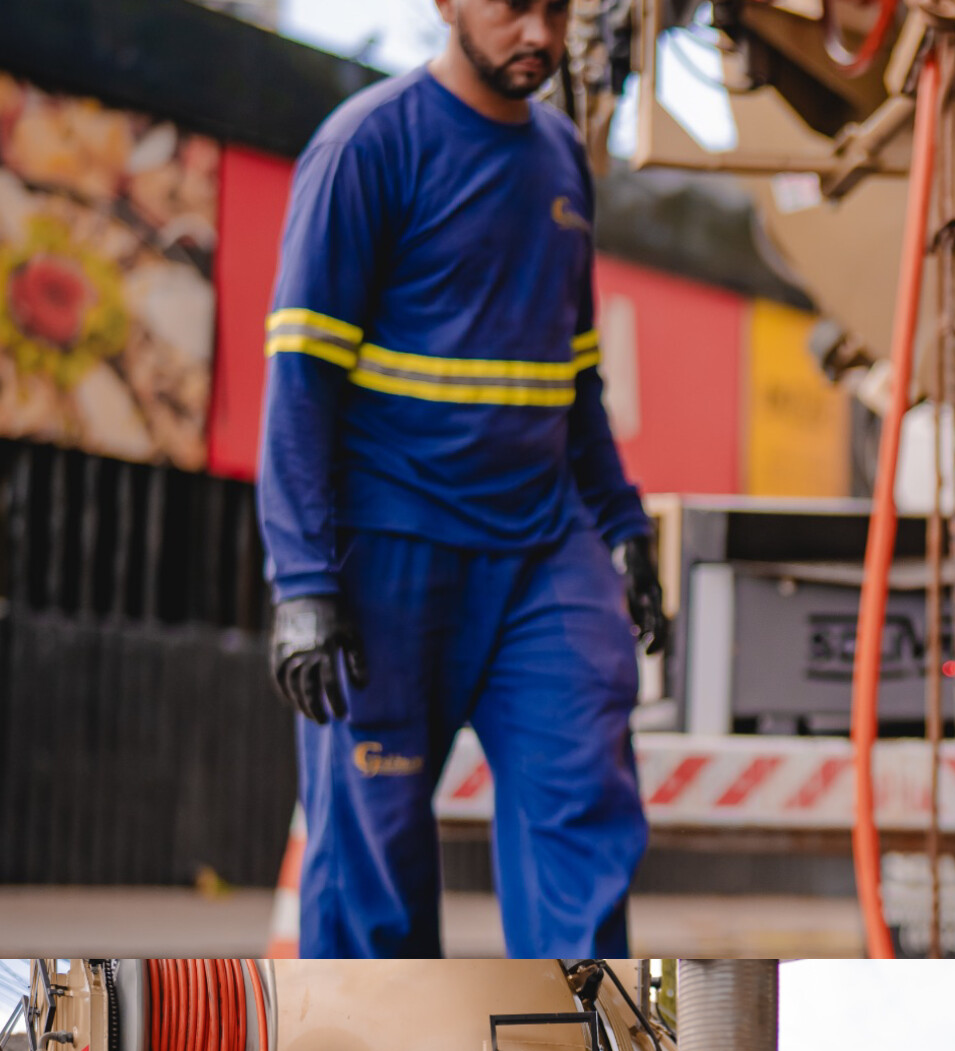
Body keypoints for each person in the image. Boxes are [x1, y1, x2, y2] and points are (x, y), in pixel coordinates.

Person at [259, 0, 670, 960]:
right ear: (446, 5)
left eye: (557, 10)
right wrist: (304, 585)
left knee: (586, 815)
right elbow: (300, 379)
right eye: (512, 7)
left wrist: (624, 524)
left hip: (542, 552)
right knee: (373, 873)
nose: (540, 33)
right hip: (387, 552)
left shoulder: (562, 158)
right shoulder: (366, 147)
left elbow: (575, 378)